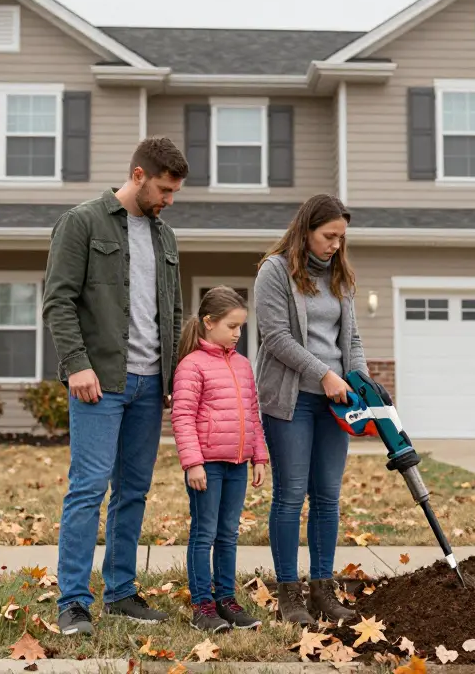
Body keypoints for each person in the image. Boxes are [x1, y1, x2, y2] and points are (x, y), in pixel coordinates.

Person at [42, 136, 189, 635]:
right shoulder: (81, 222)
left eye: (175, 193)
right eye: (165, 189)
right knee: (87, 490)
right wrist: (76, 364)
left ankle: (122, 592)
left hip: (151, 385)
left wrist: (174, 375)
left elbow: (172, 312)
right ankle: (73, 601)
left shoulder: (165, 237)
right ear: (139, 175)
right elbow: (58, 301)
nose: (169, 200)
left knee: (133, 492)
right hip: (99, 383)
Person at [253, 193, 368, 624]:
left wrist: (359, 382)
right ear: (306, 231)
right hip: (292, 399)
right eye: (328, 236)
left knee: (327, 497)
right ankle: (289, 596)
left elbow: (352, 341)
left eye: (341, 238)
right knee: (289, 495)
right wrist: (323, 374)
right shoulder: (275, 271)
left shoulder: (340, 276)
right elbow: (276, 338)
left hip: (335, 403)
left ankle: (322, 590)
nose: (336, 245)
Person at [170, 286, 271, 632]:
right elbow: (181, 417)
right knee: (204, 533)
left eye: (241, 327)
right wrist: (193, 463)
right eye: (232, 326)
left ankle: (226, 600)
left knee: (228, 533)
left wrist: (259, 455)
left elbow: (252, 413)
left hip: (237, 464)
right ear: (209, 323)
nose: (238, 333)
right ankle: (203, 606)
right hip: (207, 465)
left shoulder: (242, 365)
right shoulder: (191, 366)